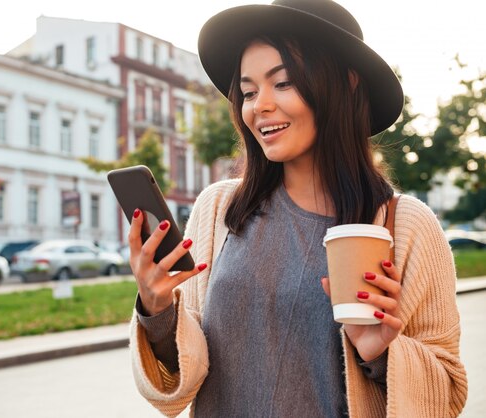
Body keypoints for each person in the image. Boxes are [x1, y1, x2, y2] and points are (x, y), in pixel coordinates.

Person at [126, 1, 468, 416]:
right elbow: (183, 375)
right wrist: (158, 310)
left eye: (282, 83)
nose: (259, 106)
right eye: (249, 92)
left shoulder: (407, 226)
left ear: (345, 83)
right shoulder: (219, 209)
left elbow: (447, 394)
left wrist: (382, 354)